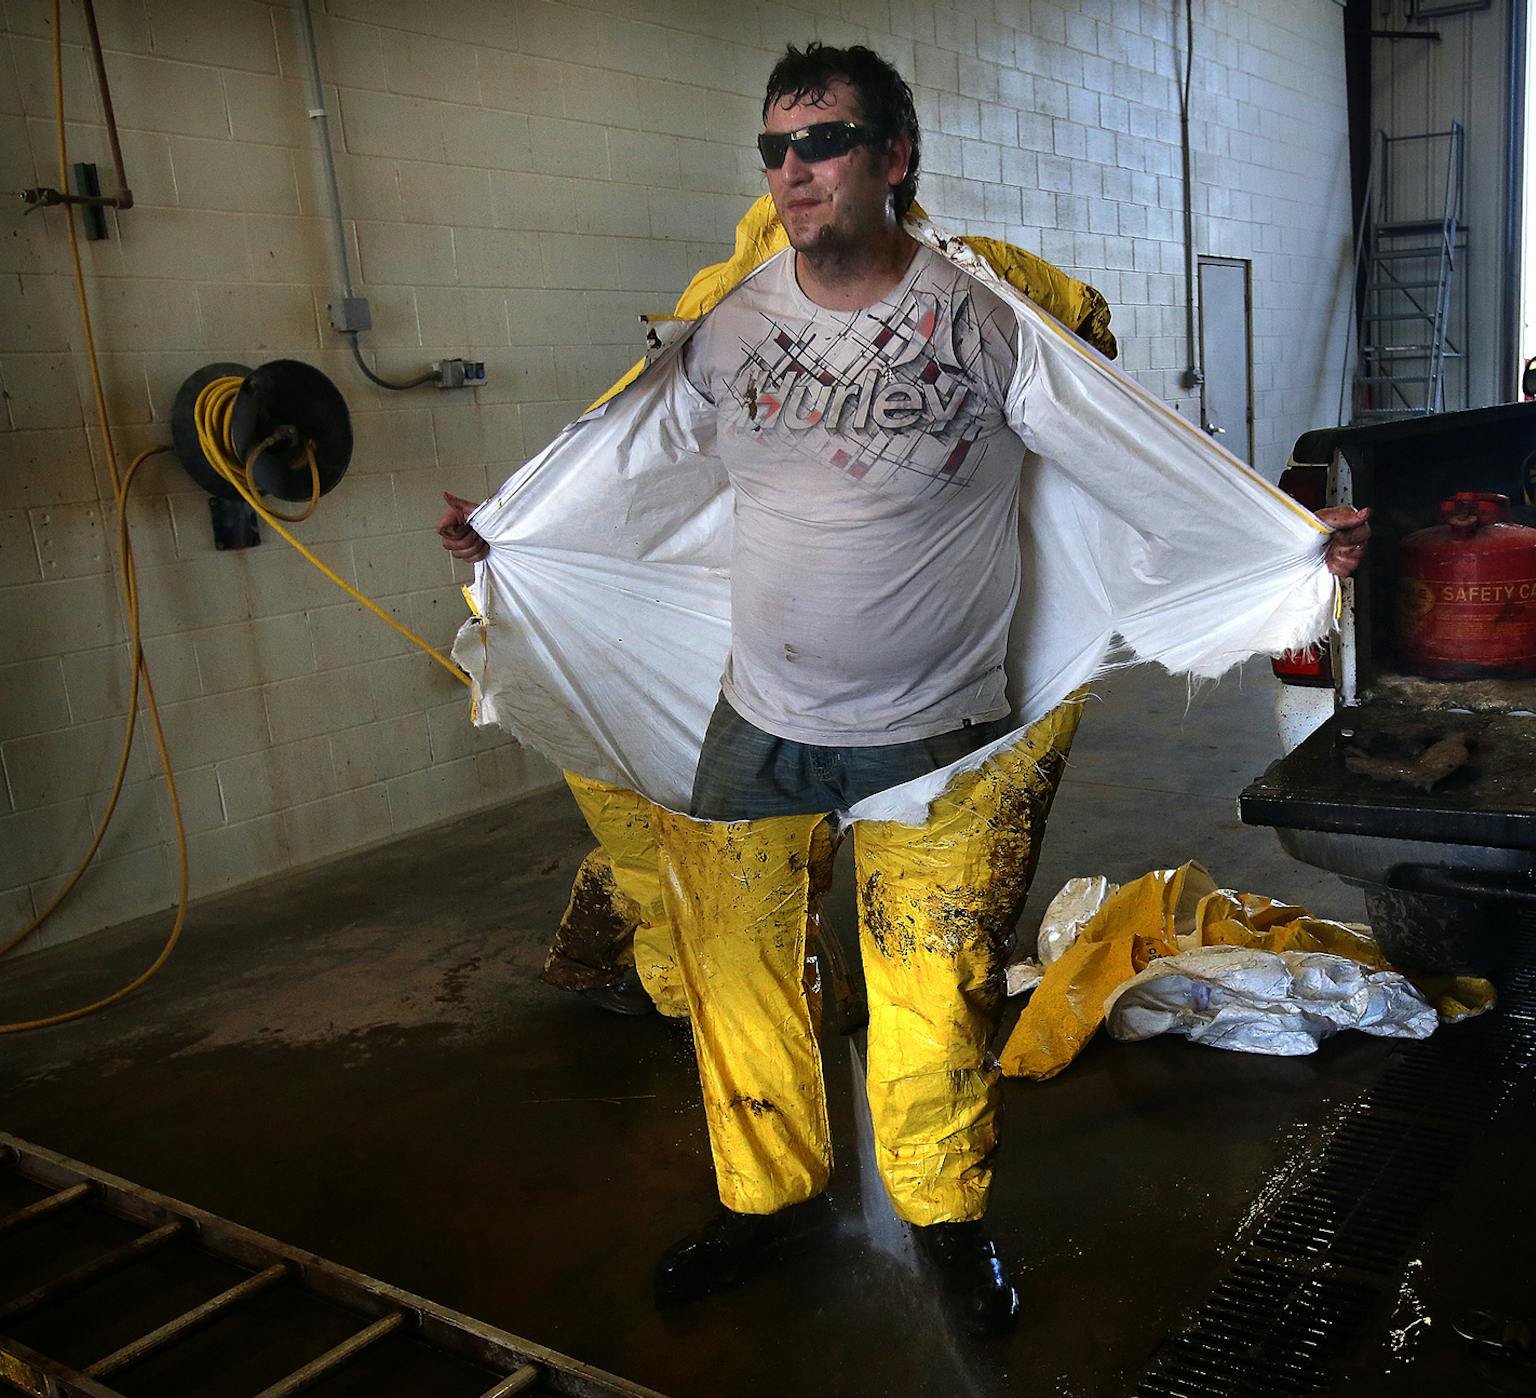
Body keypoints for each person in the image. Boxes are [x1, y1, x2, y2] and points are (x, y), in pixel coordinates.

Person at [438, 42, 1368, 1336]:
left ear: (895, 157)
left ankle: (942, 1216)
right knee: (736, 953)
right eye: (774, 149)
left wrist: (1280, 537)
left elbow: (1130, 453)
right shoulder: (730, 316)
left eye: (820, 144)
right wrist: (521, 526)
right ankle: (766, 1199)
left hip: (950, 728)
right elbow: (636, 452)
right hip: (757, 715)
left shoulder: (992, 311)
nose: (792, 173)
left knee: (933, 970)